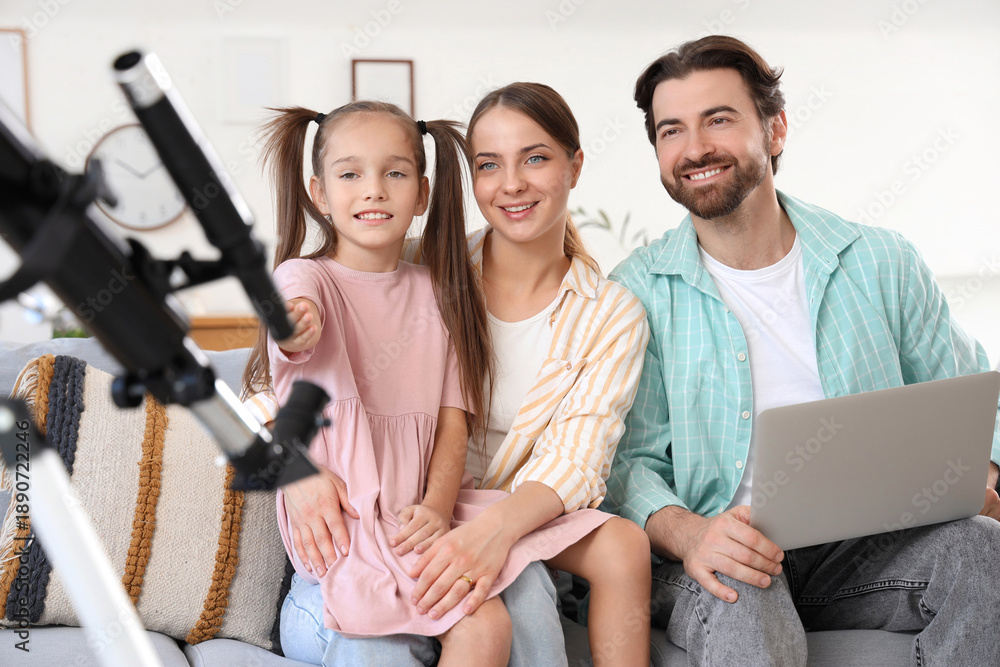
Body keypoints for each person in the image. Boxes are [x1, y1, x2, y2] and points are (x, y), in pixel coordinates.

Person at [605, 35, 1000, 666]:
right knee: (740, 580)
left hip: (867, 548)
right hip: (719, 548)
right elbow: (626, 464)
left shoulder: (878, 259)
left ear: (776, 129)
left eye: (719, 119)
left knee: (984, 549)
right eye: (671, 129)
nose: (695, 147)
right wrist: (694, 534)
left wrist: (985, 474)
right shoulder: (637, 290)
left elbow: (975, 396)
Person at [248, 84, 654, 666]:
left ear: (574, 166)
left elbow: (576, 461)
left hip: (494, 507)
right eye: (489, 165)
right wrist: (295, 468)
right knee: (491, 610)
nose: (512, 183)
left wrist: (471, 525)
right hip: (390, 516)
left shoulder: (607, 311)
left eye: (535, 157)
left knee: (609, 548)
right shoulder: (426, 266)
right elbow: (275, 360)